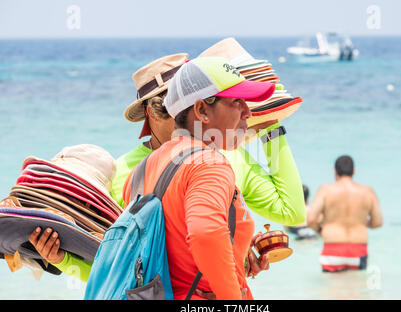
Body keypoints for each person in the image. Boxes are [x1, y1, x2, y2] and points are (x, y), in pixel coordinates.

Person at [29, 52, 306, 280]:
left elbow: (291, 211)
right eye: (172, 109)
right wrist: (63, 259)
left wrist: (270, 125)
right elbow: (116, 273)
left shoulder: (227, 157)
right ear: (152, 113)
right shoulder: (125, 173)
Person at [121, 56, 274, 299]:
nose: (248, 112)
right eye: (237, 101)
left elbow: (169, 251)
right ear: (201, 110)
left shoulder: (141, 169)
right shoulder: (209, 164)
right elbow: (206, 234)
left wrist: (235, 249)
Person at [307, 155, 383, 272]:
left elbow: (311, 219)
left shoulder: (325, 190)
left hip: (332, 248)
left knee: (331, 289)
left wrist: (320, 231)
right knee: (357, 288)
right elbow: (377, 222)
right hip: (358, 249)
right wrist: (360, 221)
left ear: (335, 171)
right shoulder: (367, 192)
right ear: (354, 171)